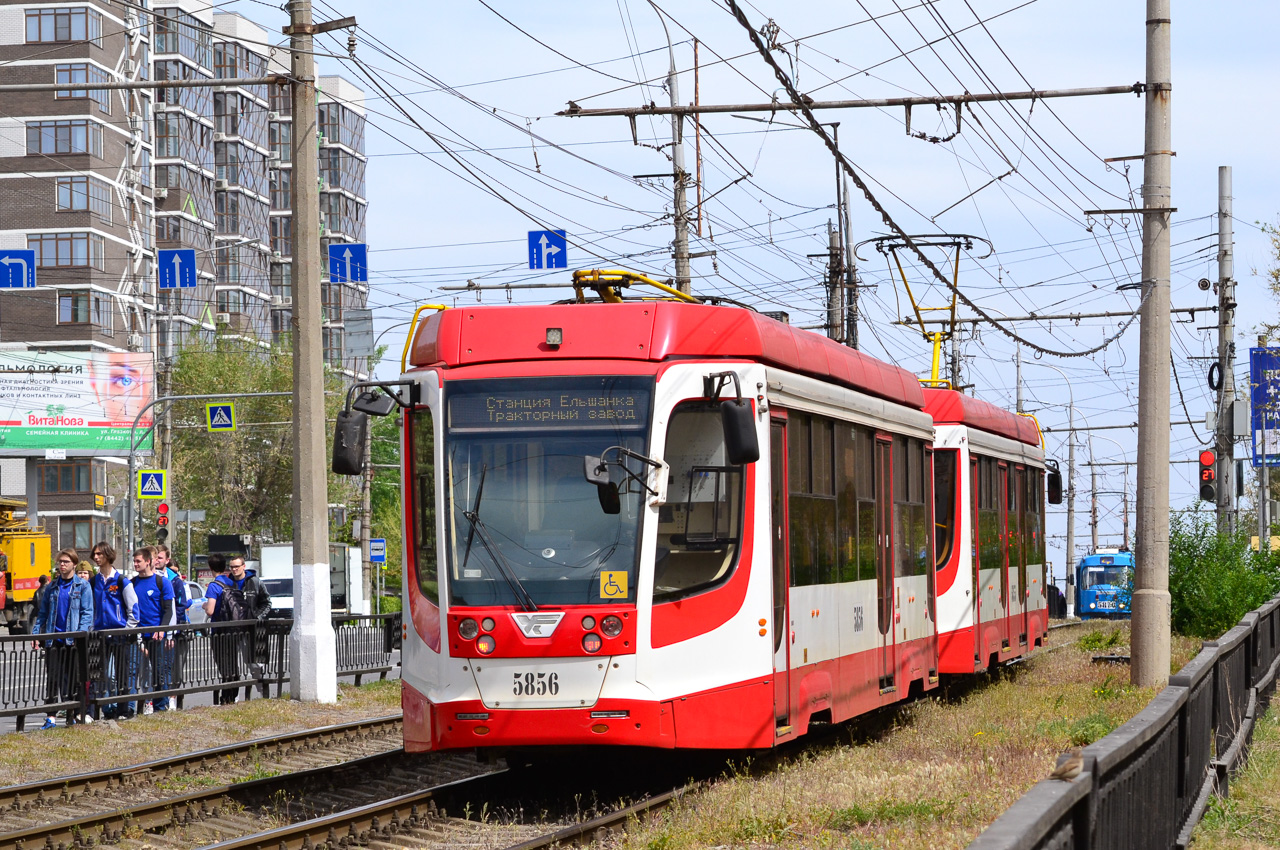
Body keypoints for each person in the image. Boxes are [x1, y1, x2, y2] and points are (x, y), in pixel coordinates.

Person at [34, 549, 93, 728]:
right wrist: (37, 634)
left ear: (74, 564)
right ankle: (51, 716)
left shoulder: (82, 586)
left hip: (73, 641)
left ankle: (74, 714)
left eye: (66, 561)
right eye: (60, 562)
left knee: (74, 679)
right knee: (52, 678)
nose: (62, 565)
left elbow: (87, 613)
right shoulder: (52, 587)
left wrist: (79, 634)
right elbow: (43, 613)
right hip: (54, 640)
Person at [204, 554, 270, 705]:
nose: (234, 569)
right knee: (231, 664)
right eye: (232, 567)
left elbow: (266, 603)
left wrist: (256, 618)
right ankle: (234, 696)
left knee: (254, 664)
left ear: (243, 566)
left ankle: (263, 694)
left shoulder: (254, 582)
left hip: (250, 629)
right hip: (232, 629)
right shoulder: (230, 582)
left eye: (237, 566)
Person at [90, 542, 139, 720]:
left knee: (122, 674)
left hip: (119, 634)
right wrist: (92, 628)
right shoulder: (94, 581)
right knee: (98, 675)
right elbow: (91, 607)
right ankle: (99, 711)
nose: (96, 557)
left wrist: (126, 629)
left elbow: (134, 608)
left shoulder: (121, 581)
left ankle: (124, 710)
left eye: (99, 554)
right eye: (94, 554)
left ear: (108, 556)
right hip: (100, 634)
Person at [129, 547, 175, 713]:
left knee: (159, 672)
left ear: (148, 561)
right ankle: (129, 708)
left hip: (156, 635)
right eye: (134, 561)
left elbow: (168, 609)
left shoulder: (162, 582)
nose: (135, 564)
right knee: (132, 672)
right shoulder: (132, 583)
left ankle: (160, 706)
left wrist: (162, 630)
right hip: (137, 636)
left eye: (138, 561)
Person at [154, 544, 190, 704]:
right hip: (154, 631)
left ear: (167, 560)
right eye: (155, 557)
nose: (156, 561)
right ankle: (156, 701)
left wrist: (171, 630)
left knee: (171, 669)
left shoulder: (174, 580)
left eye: (160, 558)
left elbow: (180, 606)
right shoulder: (147, 578)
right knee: (155, 670)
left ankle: (171, 701)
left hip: (173, 633)